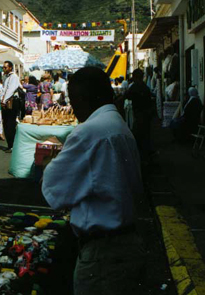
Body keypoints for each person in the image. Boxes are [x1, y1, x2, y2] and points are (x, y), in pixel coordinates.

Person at [42, 67, 146, 295]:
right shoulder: (117, 125)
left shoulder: (89, 131)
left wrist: (47, 163)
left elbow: (55, 190)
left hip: (102, 253)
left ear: (80, 99)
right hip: (126, 244)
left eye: (73, 101)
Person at [125, 69, 154, 164]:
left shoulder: (135, 87)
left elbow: (126, 96)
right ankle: (147, 158)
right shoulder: (145, 87)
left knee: (138, 136)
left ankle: (141, 160)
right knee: (146, 137)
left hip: (139, 114)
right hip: (146, 114)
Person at [0, 61, 21, 153]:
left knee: (11, 124)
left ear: (10, 68)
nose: (4, 69)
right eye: (3, 67)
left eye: (5, 67)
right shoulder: (5, 77)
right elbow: (3, 89)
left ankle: (12, 145)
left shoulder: (14, 77)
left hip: (12, 101)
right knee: (5, 123)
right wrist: (1, 99)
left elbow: (11, 90)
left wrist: (4, 100)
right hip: (6, 102)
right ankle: (9, 144)